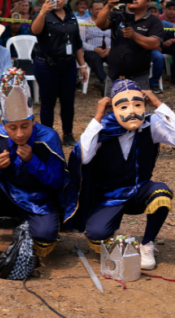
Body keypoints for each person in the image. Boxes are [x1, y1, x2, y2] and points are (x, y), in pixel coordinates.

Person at [64, 81, 175, 270]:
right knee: (96, 233)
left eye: (137, 104)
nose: (132, 111)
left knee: (161, 193)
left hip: (140, 189)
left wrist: (158, 104)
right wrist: (98, 116)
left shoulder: (150, 124)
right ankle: (111, 228)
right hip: (109, 195)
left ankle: (147, 243)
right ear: (112, 108)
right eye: (124, 106)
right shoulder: (104, 128)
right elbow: (83, 155)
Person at [0, 69, 67, 262]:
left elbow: (57, 181)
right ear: (4, 125)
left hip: (37, 197)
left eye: (25, 126)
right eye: (12, 128)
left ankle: (28, 228)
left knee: (46, 237)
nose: (20, 134)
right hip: (5, 191)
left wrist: (33, 161)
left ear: (33, 121)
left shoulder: (48, 138)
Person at [31, 0, 87, 146]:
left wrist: (82, 66)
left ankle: (68, 134)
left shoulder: (71, 16)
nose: (58, 0)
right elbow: (35, 31)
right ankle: (47, 136)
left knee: (68, 102)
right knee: (48, 103)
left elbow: (76, 43)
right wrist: (42, 12)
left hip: (68, 65)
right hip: (47, 65)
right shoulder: (43, 14)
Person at [95, 0, 164, 95]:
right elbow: (100, 23)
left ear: (148, 1)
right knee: (110, 110)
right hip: (114, 76)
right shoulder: (117, 15)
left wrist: (135, 36)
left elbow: (155, 44)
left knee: (136, 111)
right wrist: (108, 5)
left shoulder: (154, 21)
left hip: (139, 77)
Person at [80, 1, 111, 91]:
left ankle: (116, 82)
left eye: (101, 9)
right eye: (96, 9)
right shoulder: (84, 23)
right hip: (91, 51)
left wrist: (109, 48)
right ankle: (105, 81)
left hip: (107, 49)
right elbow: (81, 42)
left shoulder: (109, 22)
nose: (99, 11)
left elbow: (114, 38)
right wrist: (94, 48)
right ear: (91, 10)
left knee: (115, 58)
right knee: (95, 58)